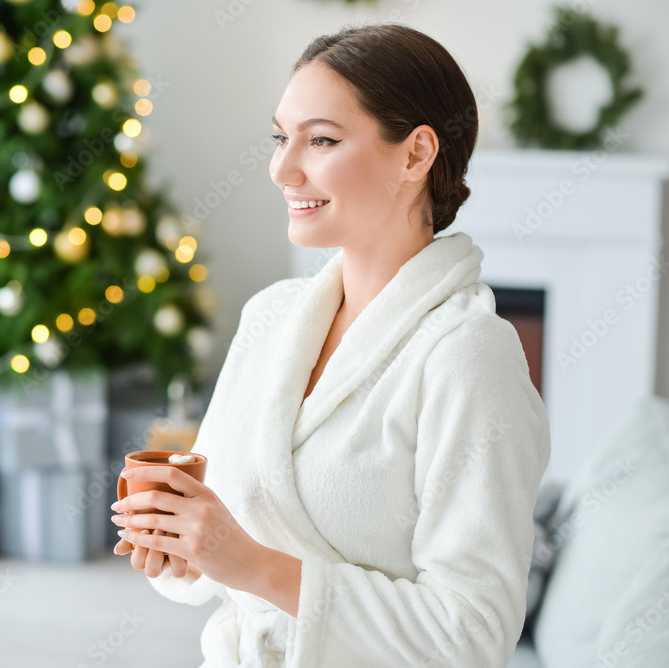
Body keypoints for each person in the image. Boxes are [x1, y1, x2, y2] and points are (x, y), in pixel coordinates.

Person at [110, 22, 550, 668]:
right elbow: (218, 535)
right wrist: (177, 541)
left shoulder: (468, 354)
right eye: (280, 137)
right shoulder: (270, 318)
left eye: (321, 140)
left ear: (416, 154)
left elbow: (472, 637)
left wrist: (252, 564)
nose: (282, 168)